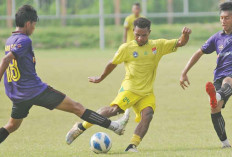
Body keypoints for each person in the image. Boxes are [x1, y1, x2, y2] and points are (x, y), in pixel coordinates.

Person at [0, 5, 130, 145]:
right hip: (35, 91)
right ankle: (115, 126)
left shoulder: (9, 41)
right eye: (34, 25)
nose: (34, 28)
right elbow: (6, 60)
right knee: (77, 107)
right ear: (28, 23)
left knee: (12, 126)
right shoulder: (25, 40)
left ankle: (114, 126)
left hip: (19, 95)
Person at [66, 17, 191, 152]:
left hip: (147, 92)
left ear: (149, 32)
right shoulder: (127, 48)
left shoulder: (158, 45)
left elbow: (180, 43)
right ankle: (80, 127)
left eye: (144, 35)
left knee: (148, 114)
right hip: (130, 89)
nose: (140, 38)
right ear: (133, 31)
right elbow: (112, 63)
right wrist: (101, 77)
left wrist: (185, 35)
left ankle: (132, 146)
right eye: (137, 35)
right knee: (113, 111)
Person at [180, 1, 232, 148]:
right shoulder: (217, 38)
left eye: (227, 18)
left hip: (229, 77)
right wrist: (184, 72)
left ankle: (217, 96)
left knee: (229, 80)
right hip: (219, 76)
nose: (223, 21)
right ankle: (225, 144)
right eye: (221, 18)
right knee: (215, 108)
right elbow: (199, 52)